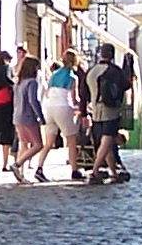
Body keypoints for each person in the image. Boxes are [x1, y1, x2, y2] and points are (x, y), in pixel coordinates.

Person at [84, 42, 132, 183]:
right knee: (107, 139)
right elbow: (126, 85)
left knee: (107, 142)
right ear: (112, 55)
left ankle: (113, 172)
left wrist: (83, 112)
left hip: (95, 110)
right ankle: (94, 171)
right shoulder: (114, 71)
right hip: (110, 109)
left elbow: (83, 92)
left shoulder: (91, 71)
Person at [12, 54, 51, 182]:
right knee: (38, 144)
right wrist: (40, 116)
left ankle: (20, 173)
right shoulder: (32, 82)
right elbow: (33, 100)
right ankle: (17, 164)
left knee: (24, 143)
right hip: (28, 116)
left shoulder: (18, 83)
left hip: (17, 116)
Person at [46, 50, 83, 181]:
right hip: (63, 107)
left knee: (49, 142)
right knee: (71, 140)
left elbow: (47, 93)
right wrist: (81, 106)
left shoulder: (54, 74)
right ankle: (74, 170)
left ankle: (39, 167)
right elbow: (74, 98)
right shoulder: (73, 77)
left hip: (50, 107)